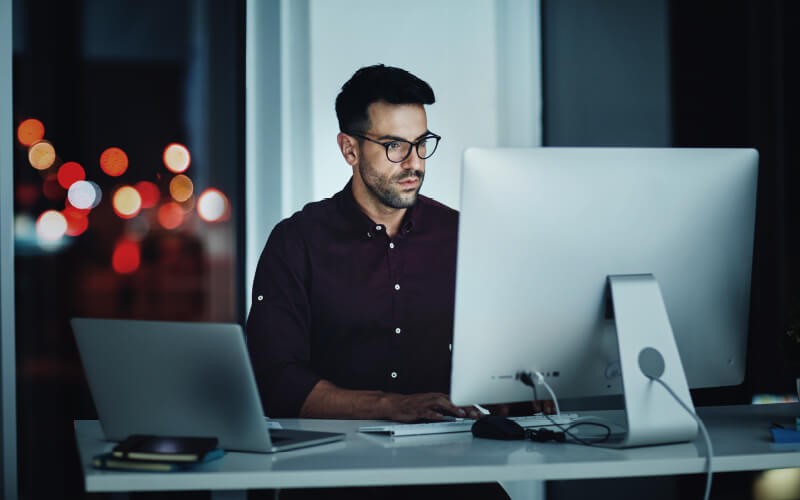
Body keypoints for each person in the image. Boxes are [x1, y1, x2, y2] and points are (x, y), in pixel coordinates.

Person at [246, 64, 485, 422]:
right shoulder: (296, 242)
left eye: (421, 144)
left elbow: (498, 357)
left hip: (453, 450)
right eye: (394, 146)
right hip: (336, 462)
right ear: (349, 150)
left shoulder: (461, 235)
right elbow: (275, 380)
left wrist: (519, 391)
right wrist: (389, 406)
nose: (414, 163)